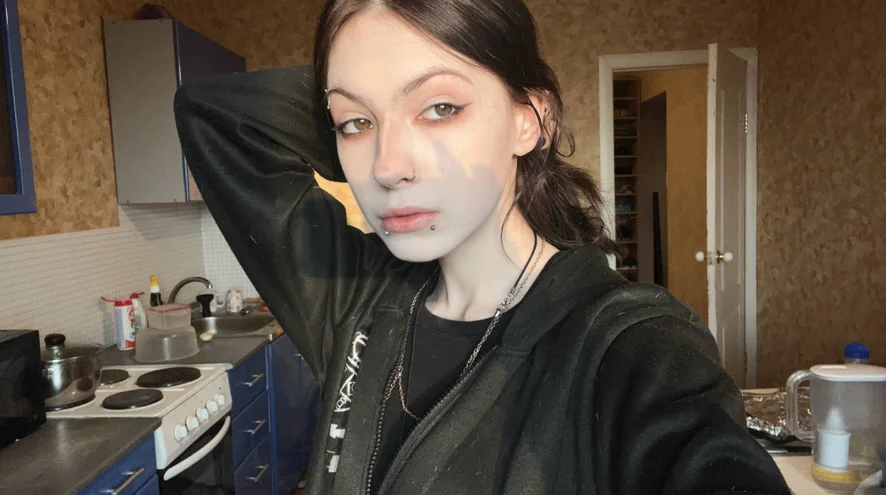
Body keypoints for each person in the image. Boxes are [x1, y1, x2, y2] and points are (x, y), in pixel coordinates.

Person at [174, 1, 790, 493]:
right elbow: (214, 113)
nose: (386, 167)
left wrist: (373, 92)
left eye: (441, 107)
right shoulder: (351, 296)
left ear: (530, 120)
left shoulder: (630, 346)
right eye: (354, 124)